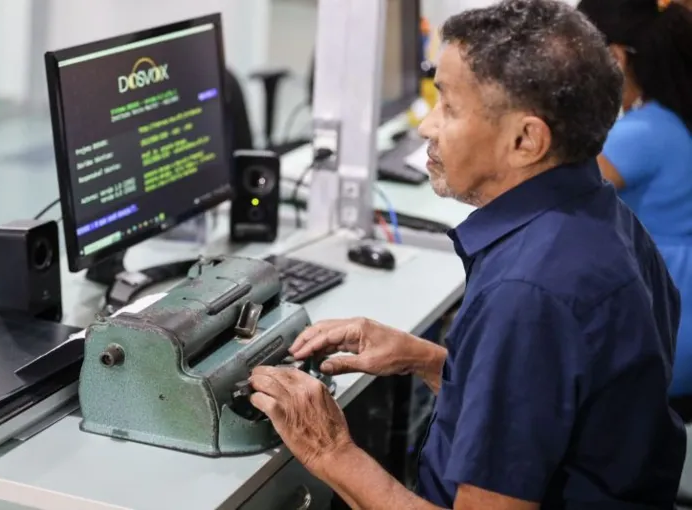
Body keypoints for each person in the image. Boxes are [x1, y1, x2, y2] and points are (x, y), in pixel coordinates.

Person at [247, 0, 687, 508]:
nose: (426, 127)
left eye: (449, 108)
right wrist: (431, 361)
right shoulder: (604, 218)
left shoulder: (528, 295)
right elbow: (565, 402)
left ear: (526, 140)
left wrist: (331, 450)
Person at [577, 0, 692, 417]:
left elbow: (551, 188)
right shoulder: (667, 116)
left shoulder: (641, 134)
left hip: (666, 337)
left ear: (615, 57)